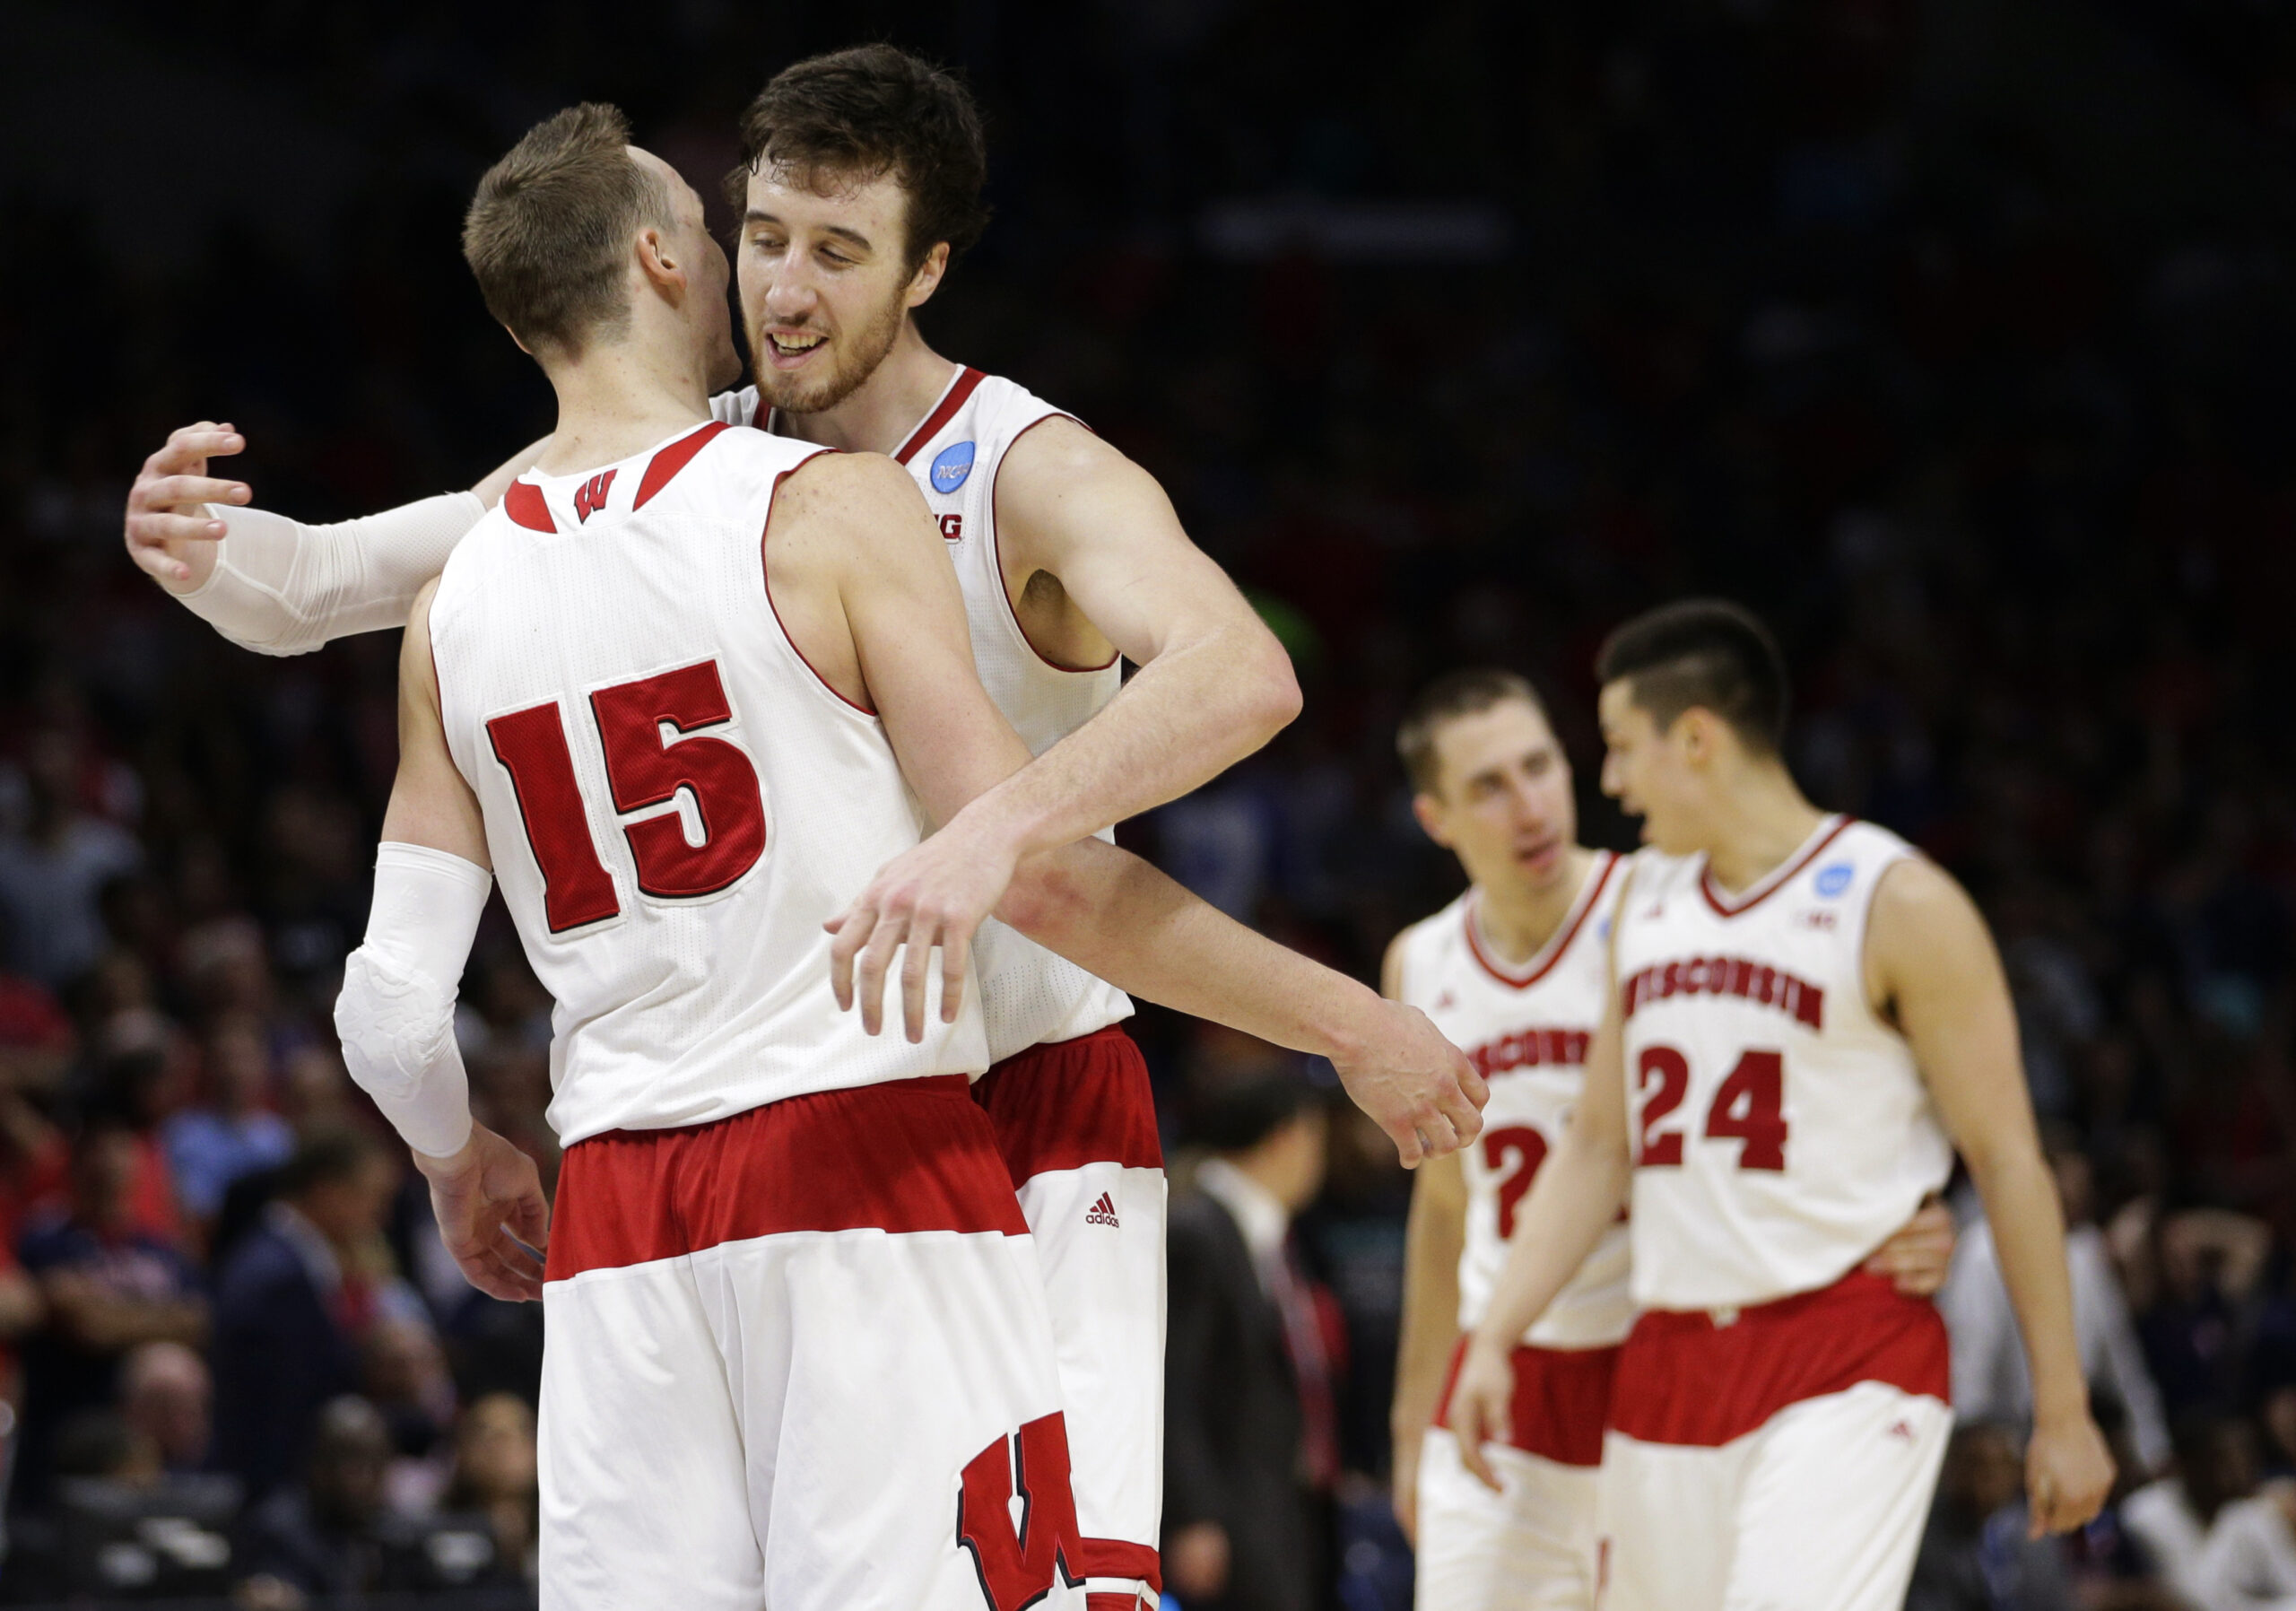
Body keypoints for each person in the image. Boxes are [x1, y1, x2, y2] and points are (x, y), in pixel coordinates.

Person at [121, 49, 1483, 1602]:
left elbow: (1241, 675)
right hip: (817, 1128)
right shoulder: (696, 446)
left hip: (1021, 1104)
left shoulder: (1019, 464)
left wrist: (1002, 832)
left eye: (838, 251)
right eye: (762, 234)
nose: (783, 286)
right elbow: (331, 584)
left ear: (929, 268)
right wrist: (194, 543)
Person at [1448, 600, 2115, 1611]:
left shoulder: (1897, 900)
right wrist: (1497, 1331)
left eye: (1623, 747)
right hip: (1668, 1354)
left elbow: (2009, 1157)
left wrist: (2059, 1408)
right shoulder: (1647, 899)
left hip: (1845, 1349)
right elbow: (1595, 1144)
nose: (1612, 782)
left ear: (1697, 736)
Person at [1383, 667, 1958, 1610]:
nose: (1528, 804)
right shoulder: (1421, 959)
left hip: (1654, 1371)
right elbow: (1445, 1207)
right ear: (1436, 816)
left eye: (1539, 766)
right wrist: (1414, 1421)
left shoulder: (1663, 907)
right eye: (1488, 785)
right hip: (1505, 1384)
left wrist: (1908, 1216)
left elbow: (1805, 1100)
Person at [1164, 1070, 1339, 1611]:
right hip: (1232, 1516)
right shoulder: (1196, 1231)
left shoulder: (1268, 1234)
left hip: (1283, 1506)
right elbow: (1172, 1386)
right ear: (1288, 1137)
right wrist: (1193, 1516)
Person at [210, 1128, 409, 1498]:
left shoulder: (293, 1261)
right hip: (273, 1491)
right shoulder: (276, 1277)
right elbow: (283, 1407)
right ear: (327, 1191)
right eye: (374, 1199)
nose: (380, 1218)